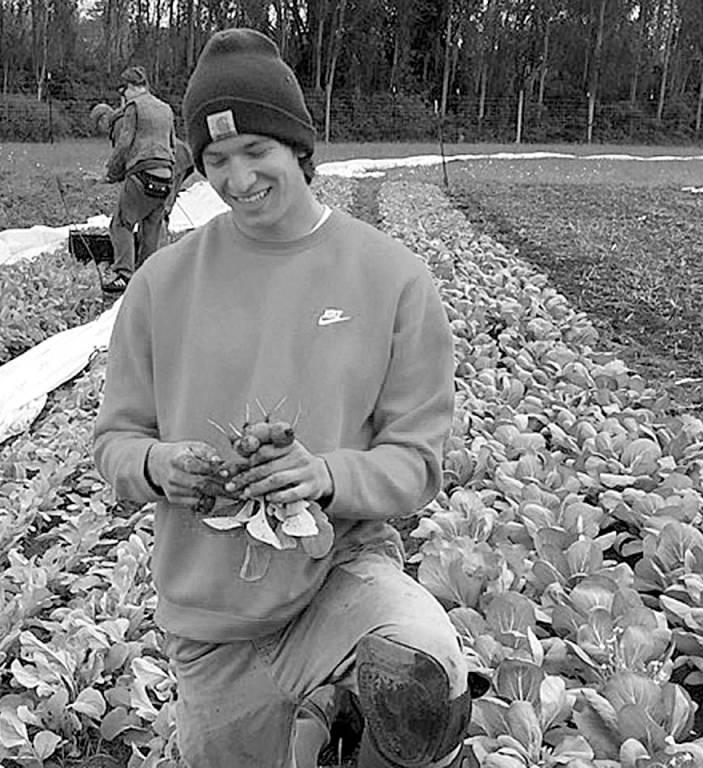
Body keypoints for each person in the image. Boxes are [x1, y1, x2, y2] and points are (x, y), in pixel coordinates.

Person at [93, 27, 471, 768]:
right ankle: (315, 735)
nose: (237, 179)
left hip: (339, 581)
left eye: (255, 151)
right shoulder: (162, 283)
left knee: (425, 671)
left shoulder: (391, 277)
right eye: (216, 160)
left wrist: (322, 475)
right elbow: (115, 441)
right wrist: (159, 465)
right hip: (211, 621)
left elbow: (418, 462)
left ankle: (349, 729)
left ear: (298, 148)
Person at [101, 65, 177, 295]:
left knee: (121, 223)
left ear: (131, 87)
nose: (123, 96)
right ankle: (147, 277)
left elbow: (125, 143)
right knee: (151, 228)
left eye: (124, 90)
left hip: (143, 174)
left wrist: (110, 172)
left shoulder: (134, 107)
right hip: (166, 176)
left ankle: (123, 275)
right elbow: (172, 144)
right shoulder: (166, 109)